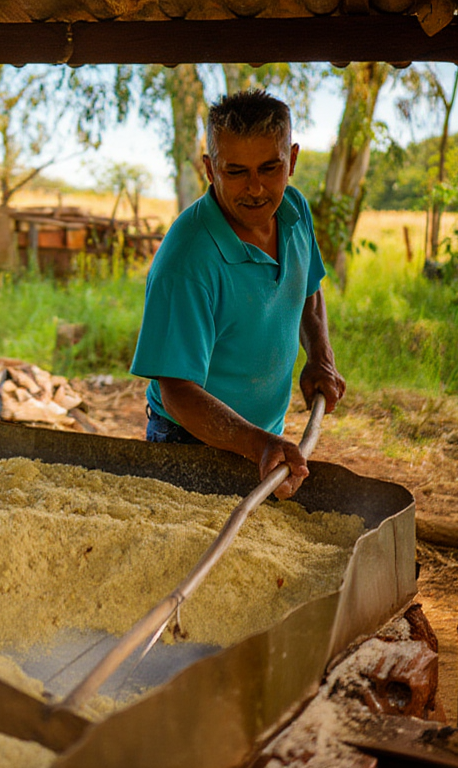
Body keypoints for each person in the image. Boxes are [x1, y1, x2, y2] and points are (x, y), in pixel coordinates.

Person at [129, 89, 346, 500]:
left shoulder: (294, 211)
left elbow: (307, 290)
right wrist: (259, 444)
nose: (256, 189)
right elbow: (176, 392)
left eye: (270, 168)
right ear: (210, 170)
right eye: (236, 172)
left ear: (292, 160)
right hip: (189, 440)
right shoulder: (187, 260)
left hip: (262, 437)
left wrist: (320, 356)